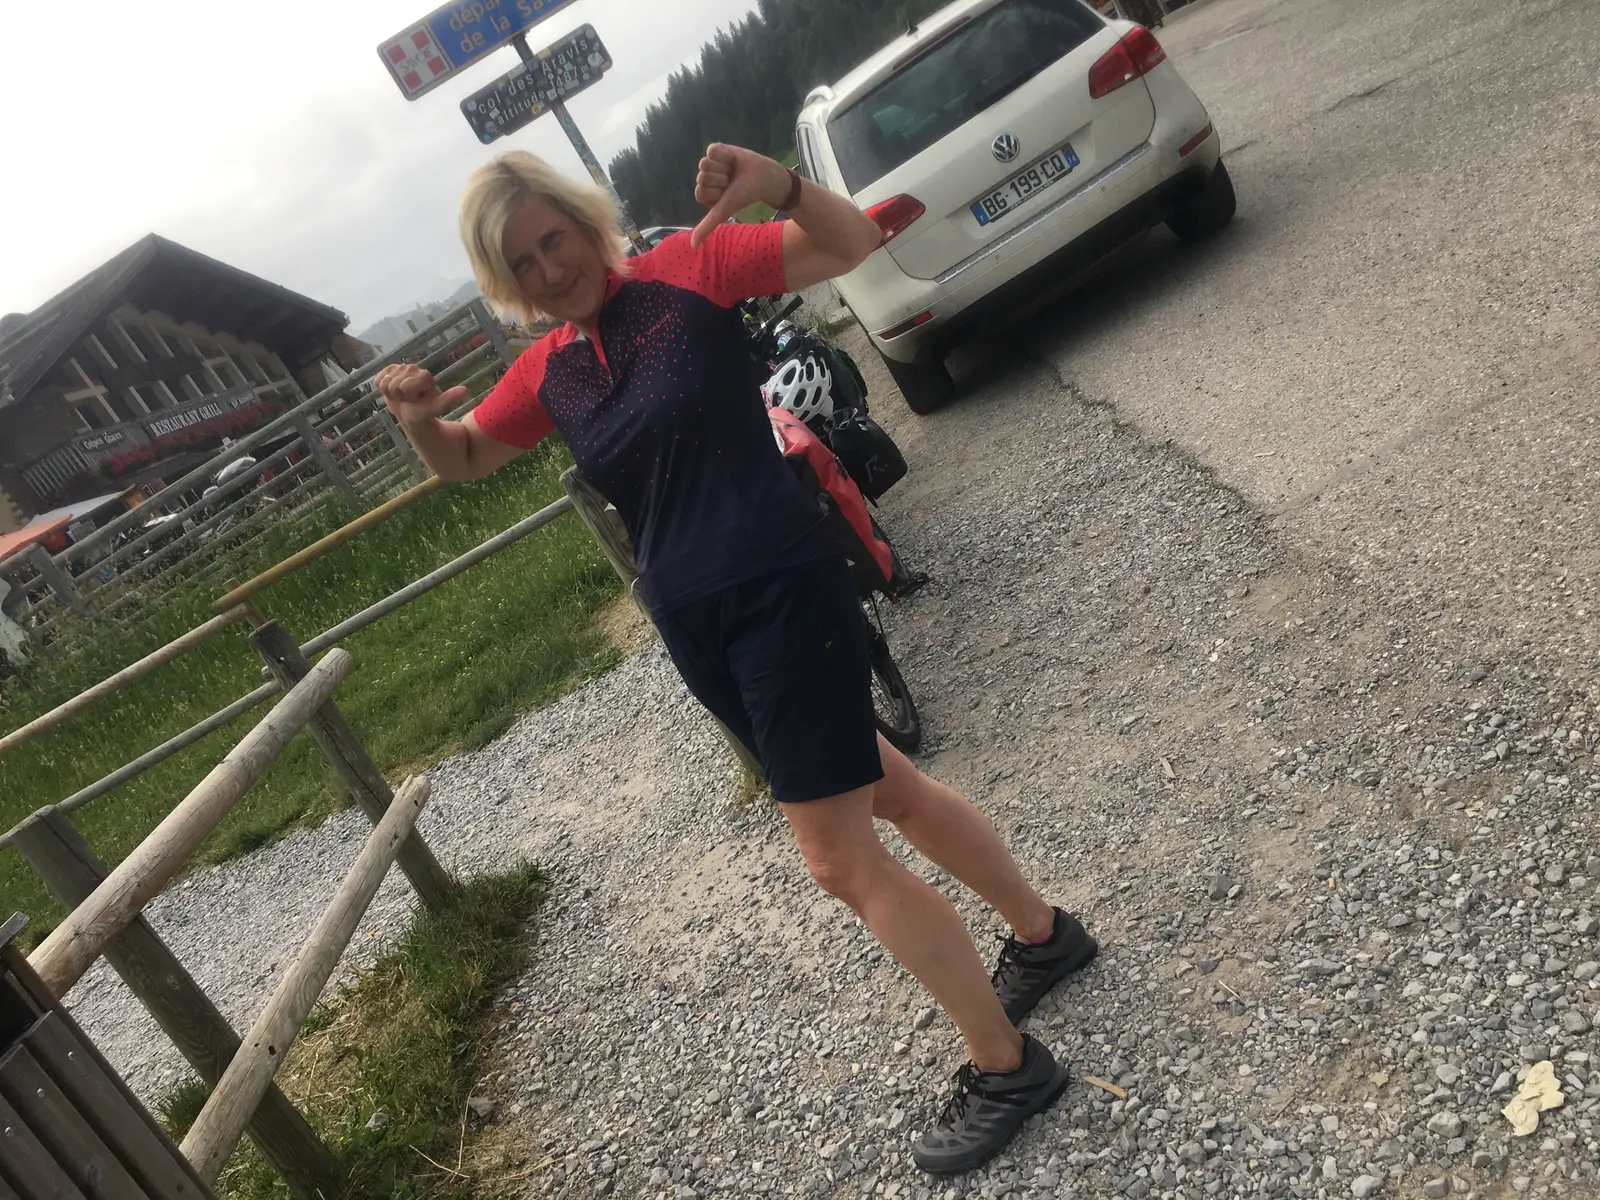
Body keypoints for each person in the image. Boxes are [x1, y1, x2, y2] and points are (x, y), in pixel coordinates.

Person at [375, 144, 1098, 1175]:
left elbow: (852, 242)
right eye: (521, 262)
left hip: (779, 591)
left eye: (554, 239)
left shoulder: (687, 271)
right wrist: (418, 422)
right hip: (698, 626)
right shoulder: (547, 371)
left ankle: (1008, 1065)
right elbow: (463, 456)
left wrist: (780, 184)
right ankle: (1042, 935)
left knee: (838, 860)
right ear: (504, 279)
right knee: (886, 789)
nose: (548, 269)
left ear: (585, 223)